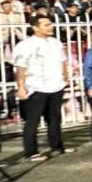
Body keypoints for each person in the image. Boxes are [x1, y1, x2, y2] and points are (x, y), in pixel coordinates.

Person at [13, 16, 73, 161]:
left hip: (55, 84)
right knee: (32, 121)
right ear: (35, 27)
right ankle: (31, 152)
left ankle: (57, 146)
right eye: (46, 25)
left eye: (50, 24)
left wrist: (65, 77)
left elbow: (62, 61)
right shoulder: (25, 45)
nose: (50, 27)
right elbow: (21, 67)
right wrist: (21, 87)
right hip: (36, 86)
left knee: (54, 118)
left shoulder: (55, 42)